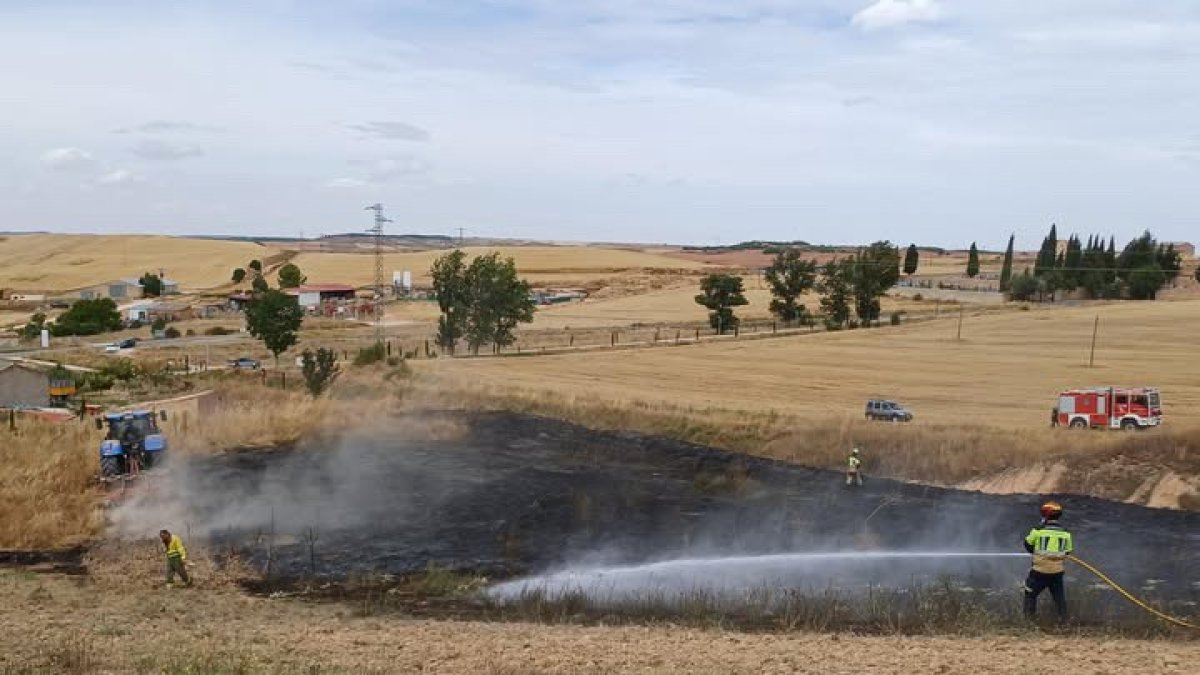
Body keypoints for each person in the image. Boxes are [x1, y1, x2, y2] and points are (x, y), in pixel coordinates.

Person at [1023, 501, 1072, 622]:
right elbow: (1068, 551)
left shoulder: (1038, 530)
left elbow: (1028, 544)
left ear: (1045, 515)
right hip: (1057, 572)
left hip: (1039, 571)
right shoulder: (1066, 533)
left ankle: (1029, 621)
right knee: (1059, 598)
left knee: (1030, 595)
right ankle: (1064, 621)